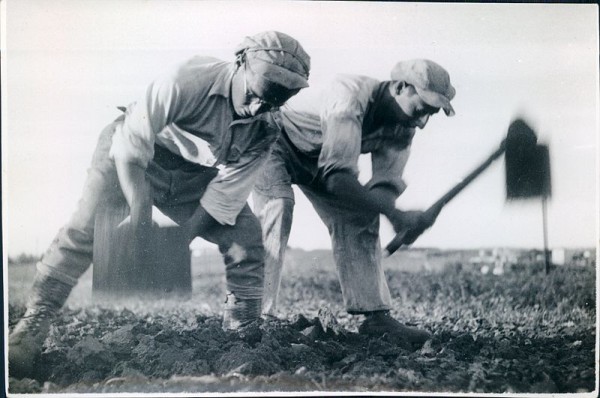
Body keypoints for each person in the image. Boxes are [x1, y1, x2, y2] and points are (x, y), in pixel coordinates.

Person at [9, 31, 310, 378]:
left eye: (275, 102)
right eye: (257, 94)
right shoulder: (190, 77)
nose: (261, 107)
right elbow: (134, 140)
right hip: (131, 151)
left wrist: (177, 244)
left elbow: (226, 193)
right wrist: (140, 209)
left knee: (245, 236)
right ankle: (34, 322)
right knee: (86, 225)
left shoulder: (268, 127)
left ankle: (241, 334)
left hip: (191, 173)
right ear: (240, 62)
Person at [253, 59, 455, 348]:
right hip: (275, 137)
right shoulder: (349, 96)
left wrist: (397, 215)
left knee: (361, 215)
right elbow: (337, 179)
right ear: (400, 87)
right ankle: (252, 317)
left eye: (431, 115)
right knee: (277, 206)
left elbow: (383, 190)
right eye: (422, 108)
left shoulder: (402, 127)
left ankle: (375, 318)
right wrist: (396, 216)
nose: (421, 122)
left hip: (322, 158)